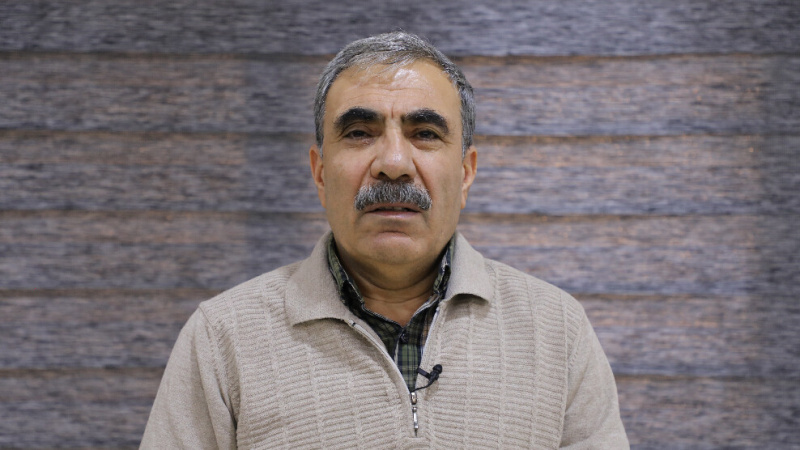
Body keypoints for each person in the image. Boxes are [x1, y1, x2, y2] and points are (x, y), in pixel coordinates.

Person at [141, 31, 629, 449]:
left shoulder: (556, 331)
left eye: (425, 133)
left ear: (465, 173)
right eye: (359, 132)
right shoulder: (222, 338)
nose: (393, 163)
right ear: (319, 173)